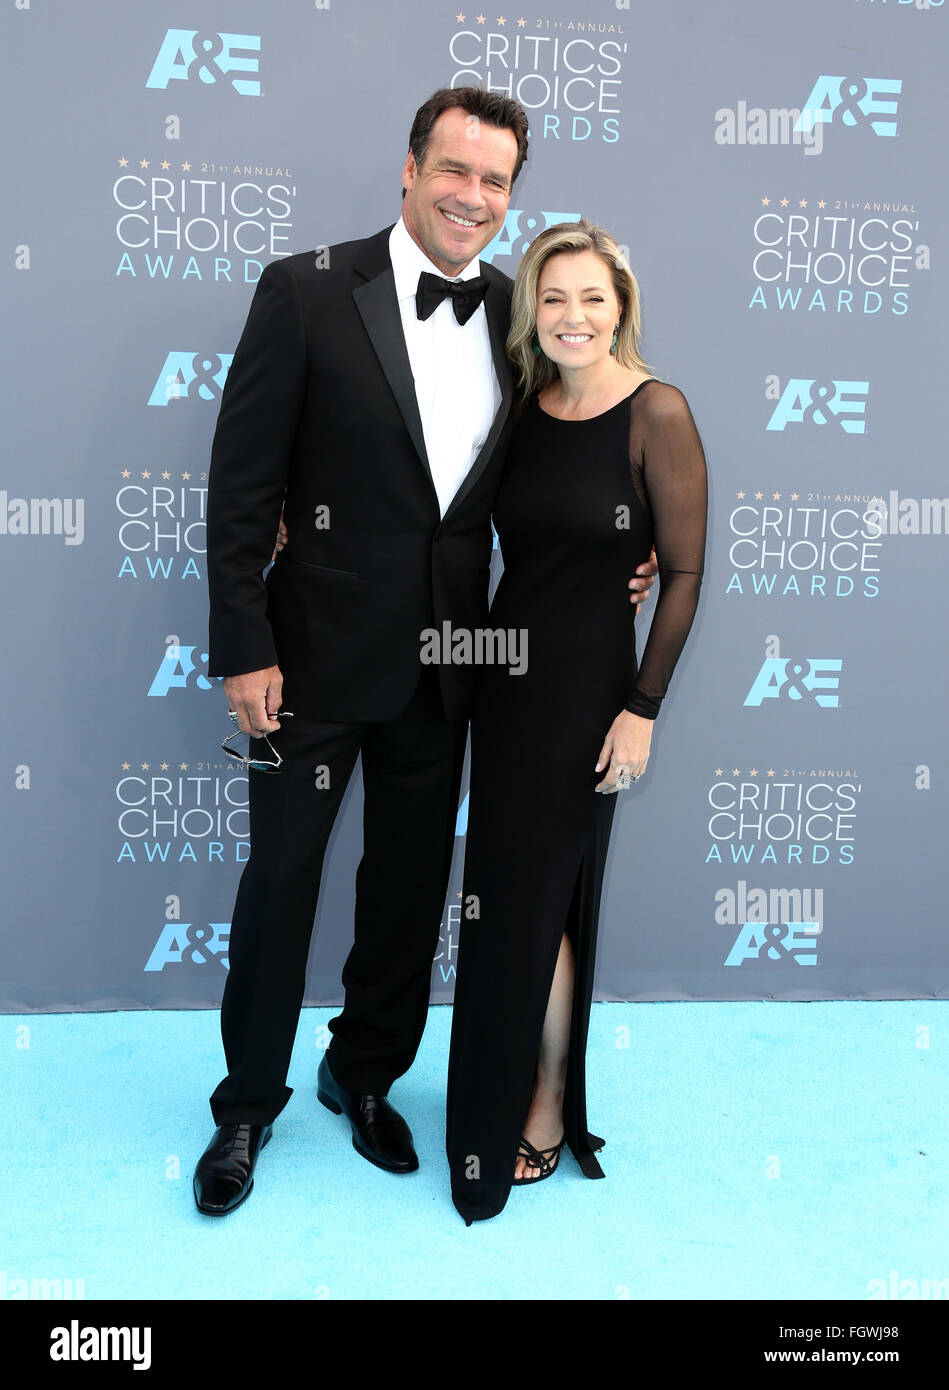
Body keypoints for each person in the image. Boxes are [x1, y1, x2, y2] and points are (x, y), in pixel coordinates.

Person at [193, 88, 659, 1216]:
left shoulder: (517, 317)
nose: (472, 195)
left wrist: (626, 557)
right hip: (307, 659)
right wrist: (242, 646)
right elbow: (242, 482)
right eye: (454, 170)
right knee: (282, 885)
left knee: (405, 891)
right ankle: (247, 1106)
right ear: (408, 170)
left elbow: (563, 475)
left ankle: (363, 1078)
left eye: (495, 180)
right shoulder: (306, 290)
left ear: (511, 197)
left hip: (454, 662)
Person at [445, 220, 708, 1224]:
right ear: (532, 314)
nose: (572, 316)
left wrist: (640, 708)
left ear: (620, 306)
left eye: (591, 297)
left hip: (591, 692)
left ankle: (547, 1103)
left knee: (545, 901)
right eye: (552, 298)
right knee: (511, 896)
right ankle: (505, 1074)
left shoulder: (657, 412)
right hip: (505, 681)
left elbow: (680, 573)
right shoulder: (525, 407)